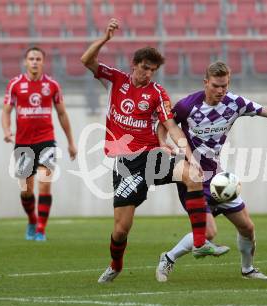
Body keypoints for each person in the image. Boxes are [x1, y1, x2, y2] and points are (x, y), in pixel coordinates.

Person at [81, 18, 228, 284]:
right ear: (134, 65)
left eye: (152, 70)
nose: (148, 73)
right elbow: (86, 60)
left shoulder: (157, 93)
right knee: (121, 229)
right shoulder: (116, 81)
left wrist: (190, 157)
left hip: (152, 157)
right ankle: (115, 265)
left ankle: (198, 243)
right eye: (145, 68)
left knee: (192, 175)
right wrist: (105, 39)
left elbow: (171, 125)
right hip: (125, 164)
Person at [156, 61, 267, 282]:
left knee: (247, 227)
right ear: (205, 83)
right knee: (208, 233)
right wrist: (162, 142)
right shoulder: (187, 105)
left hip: (218, 177)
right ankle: (169, 258)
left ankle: (248, 270)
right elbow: (165, 122)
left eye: (225, 86)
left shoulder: (234, 103)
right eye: (216, 86)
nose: (221, 91)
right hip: (193, 176)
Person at [1, 47, 77, 241]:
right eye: (31, 59)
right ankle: (32, 220)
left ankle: (41, 229)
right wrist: (7, 130)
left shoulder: (52, 85)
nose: (34, 62)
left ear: (43, 62)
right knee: (26, 190)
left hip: (46, 141)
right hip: (23, 143)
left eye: (38, 59)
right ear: (25, 62)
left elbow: (61, 114)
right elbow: (6, 111)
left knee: (44, 183)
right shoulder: (15, 84)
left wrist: (71, 142)